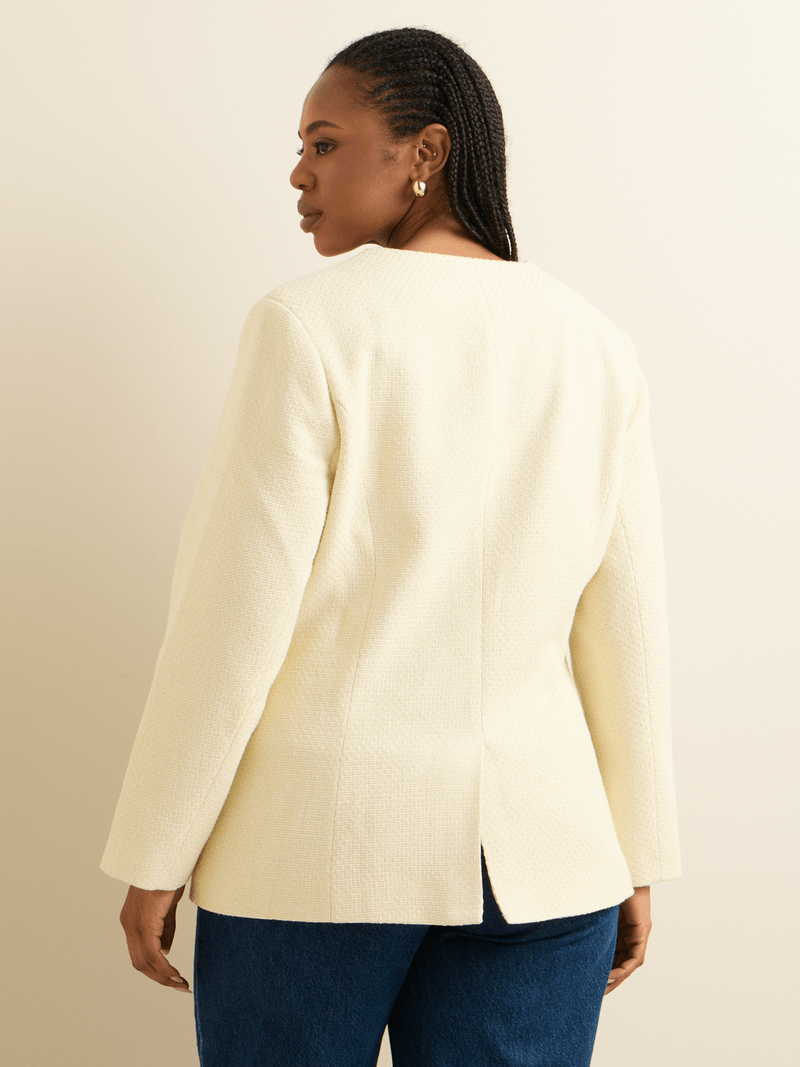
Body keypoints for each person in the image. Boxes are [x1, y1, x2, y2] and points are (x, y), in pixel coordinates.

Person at [101, 26, 681, 1066]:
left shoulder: (307, 326)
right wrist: (633, 850)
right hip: (547, 862)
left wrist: (157, 847)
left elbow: (231, 622)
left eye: (324, 143)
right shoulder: (593, 343)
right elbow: (625, 627)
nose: (299, 173)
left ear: (425, 151)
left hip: (315, 858)